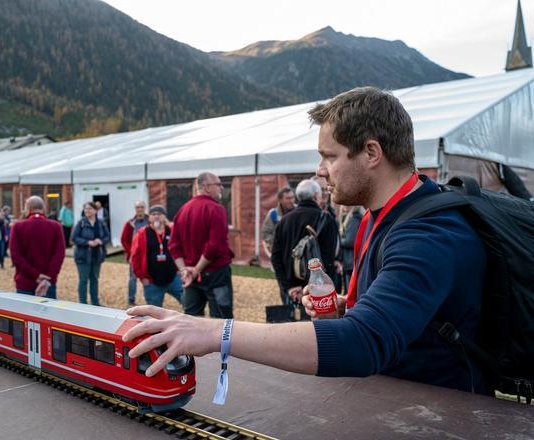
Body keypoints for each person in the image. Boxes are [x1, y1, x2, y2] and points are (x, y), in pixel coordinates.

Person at [122, 87, 487, 397]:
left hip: (442, 414)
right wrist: (348, 307)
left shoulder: (427, 232)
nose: (319, 169)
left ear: (372, 153)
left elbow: (364, 343)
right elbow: (406, 315)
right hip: (400, 401)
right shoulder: (387, 214)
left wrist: (216, 330)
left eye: (329, 156)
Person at [169, 172, 234, 318]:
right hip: (215, 273)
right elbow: (214, 246)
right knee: (222, 321)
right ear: (206, 187)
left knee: (191, 319)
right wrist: (195, 270)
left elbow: (173, 246)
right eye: (218, 184)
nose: (221, 188)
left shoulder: (183, 210)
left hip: (191, 275)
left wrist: (185, 270)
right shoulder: (216, 209)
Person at [270, 180, 337, 305]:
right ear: (316, 195)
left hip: (292, 292)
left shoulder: (284, 221)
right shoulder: (326, 219)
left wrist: (288, 287)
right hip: (319, 292)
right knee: (319, 325)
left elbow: (275, 258)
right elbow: (328, 258)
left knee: (291, 324)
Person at [9, 196, 65, 298]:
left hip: (25, 281)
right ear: (44, 208)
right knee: (47, 313)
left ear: (27, 208)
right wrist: (48, 278)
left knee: (25, 313)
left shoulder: (18, 226)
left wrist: (36, 275)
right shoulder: (56, 226)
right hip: (48, 283)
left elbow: (15, 256)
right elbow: (59, 255)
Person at [130, 205, 183, 308]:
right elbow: (135, 256)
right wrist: (142, 277)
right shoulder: (142, 233)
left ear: (165, 217)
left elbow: (182, 249)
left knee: (188, 303)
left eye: (159, 214)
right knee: (154, 313)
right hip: (152, 281)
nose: (156, 216)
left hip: (174, 278)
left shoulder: (172, 231)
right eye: (153, 214)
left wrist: (181, 269)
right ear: (149, 217)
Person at [72, 201, 110, 305]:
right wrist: (87, 242)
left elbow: (107, 236)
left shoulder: (101, 223)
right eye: (86, 209)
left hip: (97, 256)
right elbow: (74, 238)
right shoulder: (81, 223)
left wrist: (100, 241)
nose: (87, 211)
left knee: (94, 280)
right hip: (83, 257)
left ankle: (95, 303)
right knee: (83, 280)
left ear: (95, 210)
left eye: (89, 208)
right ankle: (83, 303)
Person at [121, 201, 149, 306]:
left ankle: (149, 298)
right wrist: (130, 252)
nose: (140, 209)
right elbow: (124, 239)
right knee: (133, 278)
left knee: (148, 277)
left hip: (147, 255)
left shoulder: (149, 221)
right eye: (138, 207)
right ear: (135, 209)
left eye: (142, 207)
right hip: (134, 256)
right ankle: (131, 299)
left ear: (145, 208)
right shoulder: (130, 223)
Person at [260, 186, 296, 259]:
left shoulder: (299, 212)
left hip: (297, 252)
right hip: (280, 253)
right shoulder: (273, 214)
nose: (291, 201)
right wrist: (276, 244)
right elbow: (265, 233)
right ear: (280, 200)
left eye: (292, 197)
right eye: (288, 198)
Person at [337, 205, 363, 292]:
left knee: (351, 290)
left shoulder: (355, 219)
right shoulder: (355, 217)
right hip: (352, 259)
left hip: (350, 260)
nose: (344, 207)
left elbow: (350, 241)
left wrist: (337, 240)